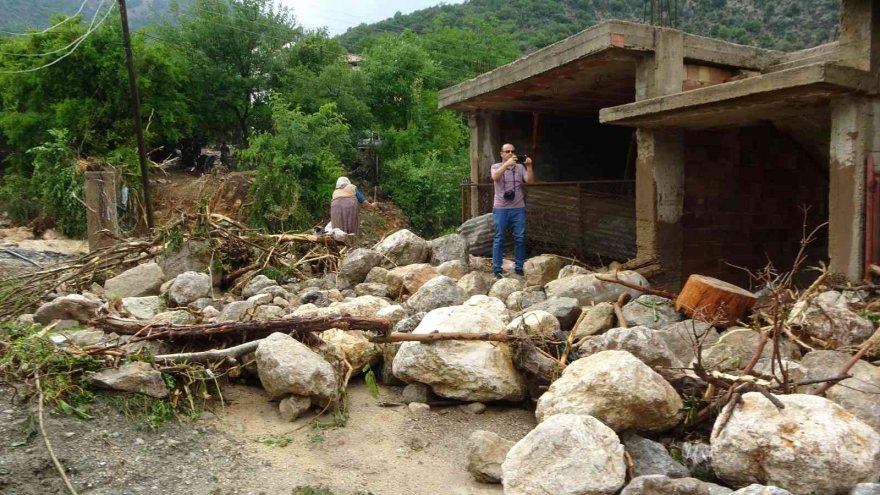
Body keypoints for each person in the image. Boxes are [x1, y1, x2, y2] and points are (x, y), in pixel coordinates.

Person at [490, 143, 534, 278]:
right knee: (499, 238)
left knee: (520, 238)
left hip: (518, 207)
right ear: (501, 154)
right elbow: (495, 177)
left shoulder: (520, 167)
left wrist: (529, 166)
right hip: (500, 208)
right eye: (507, 151)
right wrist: (506, 165)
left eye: (512, 151)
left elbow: (530, 182)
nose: (510, 153)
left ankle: (519, 267)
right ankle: (497, 269)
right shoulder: (496, 166)